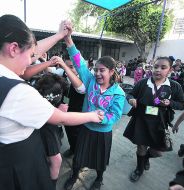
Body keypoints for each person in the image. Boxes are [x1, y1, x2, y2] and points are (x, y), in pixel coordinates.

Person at [0, 15, 104, 190]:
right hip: (22, 164)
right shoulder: (17, 92)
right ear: (13, 49)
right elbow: (61, 118)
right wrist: (93, 115)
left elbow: (29, 51)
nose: (31, 61)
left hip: (2, 160)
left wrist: (59, 35)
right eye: (30, 55)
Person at [59, 22, 125, 190]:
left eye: (102, 70)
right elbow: (79, 62)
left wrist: (101, 118)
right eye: (95, 69)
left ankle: (99, 178)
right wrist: (68, 39)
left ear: (111, 72)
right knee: (79, 157)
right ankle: (74, 175)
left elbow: (116, 115)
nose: (97, 73)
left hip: (103, 133)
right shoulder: (90, 82)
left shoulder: (118, 93)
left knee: (100, 159)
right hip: (85, 129)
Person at [123, 57, 184, 183]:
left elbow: (182, 104)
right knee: (141, 146)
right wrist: (130, 99)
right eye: (156, 66)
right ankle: (139, 169)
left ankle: (146, 158)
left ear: (170, 70)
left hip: (160, 122)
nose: (158, 70)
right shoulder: (143, 82)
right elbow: (130, 94)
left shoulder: (174, 86)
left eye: (163, 67)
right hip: (141, 120)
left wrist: (170, 103)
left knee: (158, 152)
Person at [34, 73, 69, 188]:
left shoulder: (61, 88)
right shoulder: (37, 97)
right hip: (46, 128)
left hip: (52, 127)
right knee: (56, 160)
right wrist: (57, 112)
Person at [62, 55, 85, 158]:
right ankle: (72, 149)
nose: (67, 70)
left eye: (71, 67)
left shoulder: (84, 79)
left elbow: (80, 89)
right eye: (65, 66)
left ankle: (79, 155)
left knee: (78, 136)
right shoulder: (63, 75)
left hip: (78, 114)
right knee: (69, 133)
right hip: (66, 112)